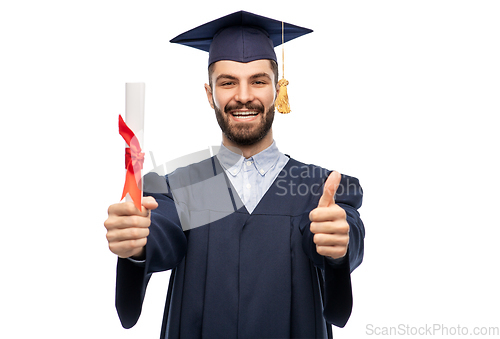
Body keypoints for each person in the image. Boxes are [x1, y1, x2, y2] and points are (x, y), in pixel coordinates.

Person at [104, 11, 365, 339]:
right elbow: (157, 230)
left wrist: (340, 246)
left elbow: (345, 230)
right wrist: (135, 240)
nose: (243, 95)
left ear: (277, 89)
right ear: (209, 93)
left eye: (258, 80)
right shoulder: (179, 188)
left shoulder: (319, 187)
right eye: (228, 82)